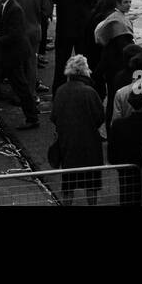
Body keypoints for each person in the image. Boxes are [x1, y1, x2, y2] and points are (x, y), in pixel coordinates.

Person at [49, 53, 105, 206]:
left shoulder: (61, 91)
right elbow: (100, 116)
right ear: (84, 71)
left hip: (68, 143)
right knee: (91, 183)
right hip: (90, 144)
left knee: (68, 184)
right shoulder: (90, 92)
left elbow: (53, 117)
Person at [0, 0, 39, 129]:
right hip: (7, 51)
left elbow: (16, 34)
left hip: (12, 53)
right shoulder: (6, 6)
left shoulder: (14, 9)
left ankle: (32, 118)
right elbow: (9, 28)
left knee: (20, 86)